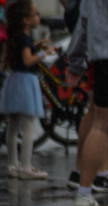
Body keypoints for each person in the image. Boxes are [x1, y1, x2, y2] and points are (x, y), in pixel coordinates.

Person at [66, 0, 108, 206]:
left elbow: (83, 24)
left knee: (100, 124)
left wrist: (75, 61)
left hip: (101, 58)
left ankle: (84, 193)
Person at [0, 0, 51, 180]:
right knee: (28, 126)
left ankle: (13, 164)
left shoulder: (18, 37)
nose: (39, 17)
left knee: (13, 126)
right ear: (25, 20)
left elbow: (23, 55)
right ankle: (26, 166)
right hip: (26, 84)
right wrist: (43, 54)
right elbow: (28, 60)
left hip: (15, 81)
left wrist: (36, 46)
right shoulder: (24, 38)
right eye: (35, 14)